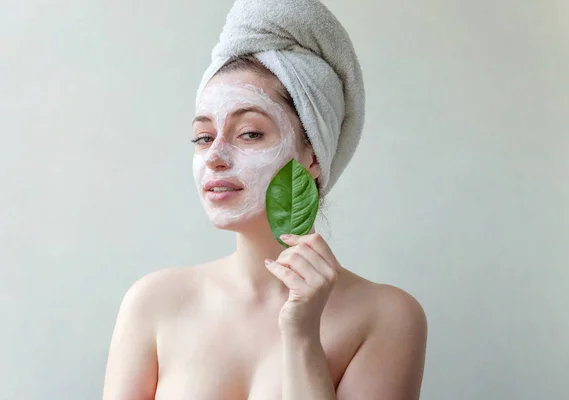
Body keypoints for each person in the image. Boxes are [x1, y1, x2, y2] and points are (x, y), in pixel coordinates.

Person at [103, 0, 427, 399]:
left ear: (312, 155)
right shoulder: (154, 302)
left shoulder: (386, 317)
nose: (215, 157)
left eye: (250, 133)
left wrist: (303, 335)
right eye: (203, 137)